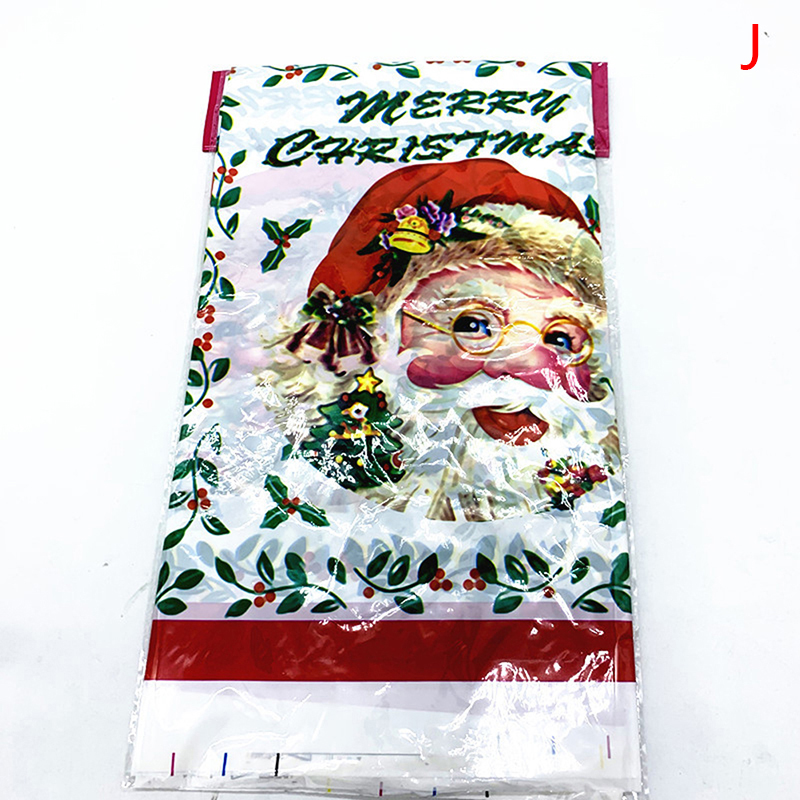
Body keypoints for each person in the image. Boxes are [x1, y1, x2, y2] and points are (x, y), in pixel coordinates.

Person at [260, 159, 619, 522]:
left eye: (559, 337)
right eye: (474, 325)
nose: (524, 364)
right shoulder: (333, 487)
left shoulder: (601, 486)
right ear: (377, 340)